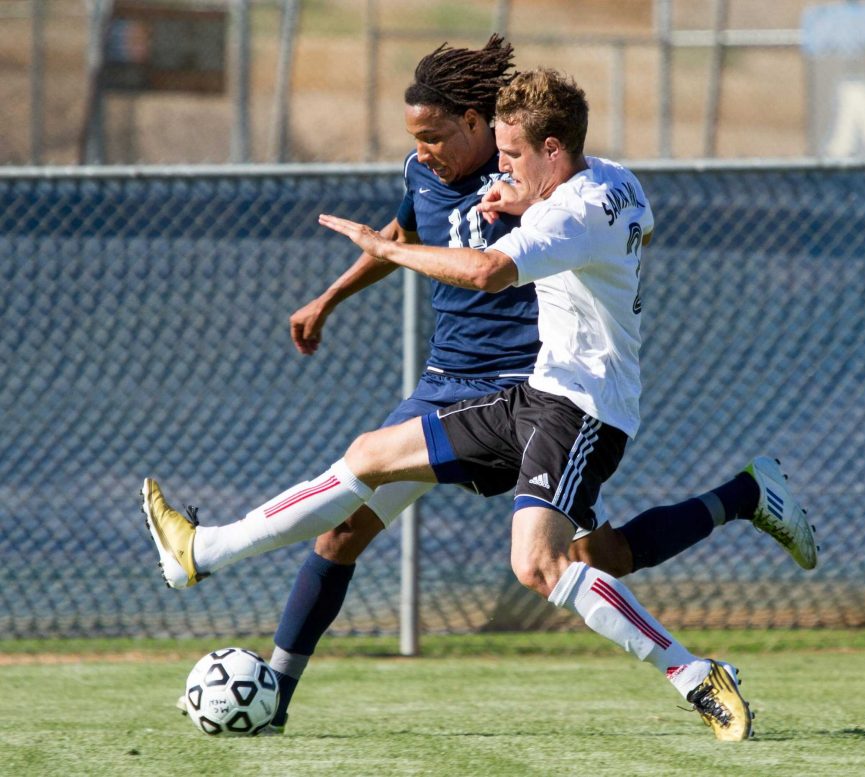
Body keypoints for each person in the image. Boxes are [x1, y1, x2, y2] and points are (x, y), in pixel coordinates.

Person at [143, 67, 815, 741]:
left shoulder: (571, 212)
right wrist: (524, 204)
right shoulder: (612, 178)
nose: (502, 165)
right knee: (369, 460)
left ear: (552, 151)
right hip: (530, 394)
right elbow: (604, 223)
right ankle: (207, 550)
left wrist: (391, 249)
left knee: (557, 564)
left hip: (577, 408)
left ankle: (696, 669)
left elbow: (491, 271)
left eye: (513, 154)